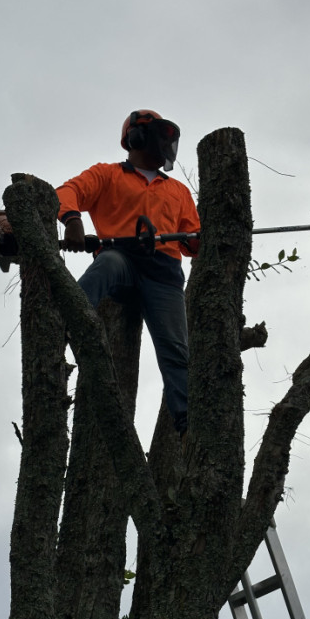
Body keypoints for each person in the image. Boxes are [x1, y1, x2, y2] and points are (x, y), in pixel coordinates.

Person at [56, 110, 200, 435]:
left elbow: (194, 241)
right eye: (158, 135)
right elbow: (67, 192)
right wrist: (73, 221)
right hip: (122, 260)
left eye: (168, 138)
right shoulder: (107, 175)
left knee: (177, 349)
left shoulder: (177, 191)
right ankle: (64, 321)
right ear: (135, 138)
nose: (164, 143)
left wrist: (206, 238)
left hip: (163, 275)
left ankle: (188, 421)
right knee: (106, 264)